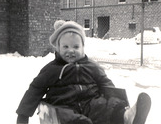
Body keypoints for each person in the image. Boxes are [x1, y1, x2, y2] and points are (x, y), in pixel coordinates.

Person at [16, 20, 151, 124]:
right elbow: (35, 90)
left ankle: (125, 117)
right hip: (64, 104)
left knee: (105, 107)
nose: (71, 50)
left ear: (83, 47)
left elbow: (105, 83)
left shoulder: (91, 66)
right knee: (64, 115)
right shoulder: (51, 69)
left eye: (76, 46)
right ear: (57, 48)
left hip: (91, 103)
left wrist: (117, 102)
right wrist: (23, 115)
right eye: (65, 47)